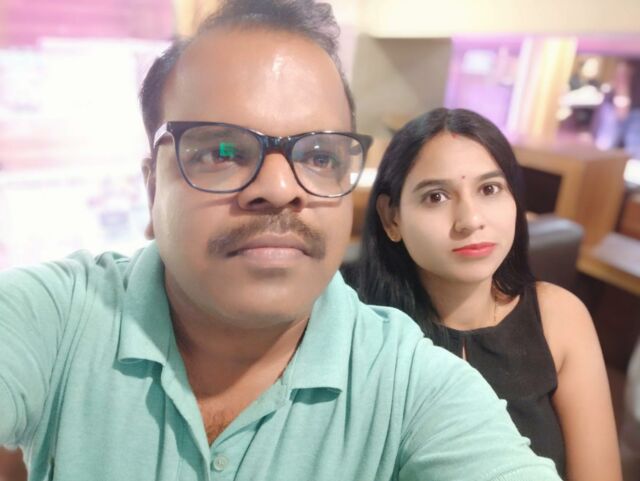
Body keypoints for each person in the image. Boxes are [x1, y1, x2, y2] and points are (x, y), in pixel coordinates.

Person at [0, 2, 563, 480]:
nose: (278, 188)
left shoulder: (407, 383)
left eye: (318, 155)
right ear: (152, 189)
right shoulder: (58, 320)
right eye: (220, 151)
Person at [347, 107, 621, 481]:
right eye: (436, 196)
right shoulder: (357, 329)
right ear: (391, 218)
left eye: (490, 189)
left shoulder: (560, 318)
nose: (471, 220)